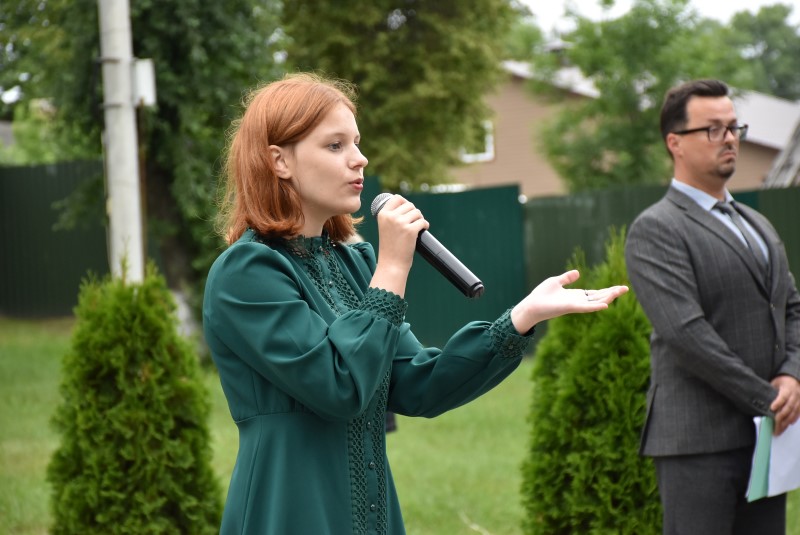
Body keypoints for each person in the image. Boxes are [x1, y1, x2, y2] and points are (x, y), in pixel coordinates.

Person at [202, 72, 628, 535]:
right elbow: (338, 387)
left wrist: (522, 317)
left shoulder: (355, 264)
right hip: (289, 512)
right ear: (279, 160)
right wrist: (392, 267)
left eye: (357, 143)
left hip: (372, 516)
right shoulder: (247, 273)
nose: (359, 159)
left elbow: (418, 383)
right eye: (335, 145)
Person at [625, 79, 800, 534]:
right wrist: (766, 398)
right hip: (697, 445)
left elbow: (791, 307)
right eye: (713, 129)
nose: (729, 138)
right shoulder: (656, 228)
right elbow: (687, 335)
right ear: (675, 143)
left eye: (734, 127)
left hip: (767, 439)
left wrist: (792, 375)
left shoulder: (757, 223)